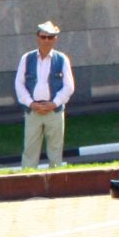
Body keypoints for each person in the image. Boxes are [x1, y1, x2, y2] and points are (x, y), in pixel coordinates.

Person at [15, 21, 74, 168]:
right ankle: (28, 183)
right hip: (33, 111)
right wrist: (31, 103)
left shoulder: (61, 59)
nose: (46, 40)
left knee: (55, 151)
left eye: (50, 37)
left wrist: (54, 103)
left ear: (55, 39)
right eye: (43, 37)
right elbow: (19, 84)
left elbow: (69, 86)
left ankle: (56, 185)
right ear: (37, 37)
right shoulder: (27, 58)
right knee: (30, 151)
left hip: (54, 110)